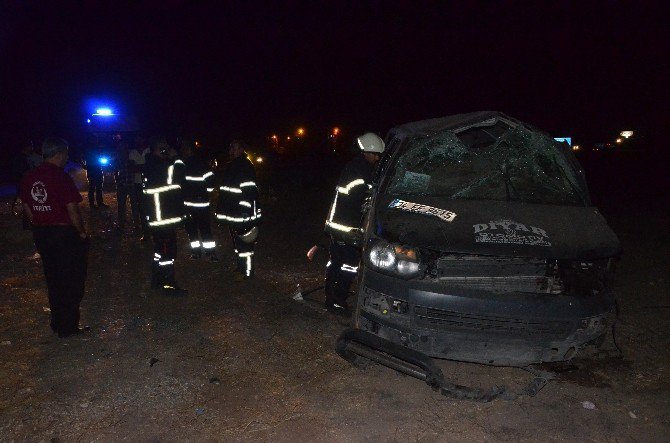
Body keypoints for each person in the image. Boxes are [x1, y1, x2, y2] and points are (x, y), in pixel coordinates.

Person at [19, 137, 89, 338]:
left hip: (43, 234)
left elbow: (27, 208)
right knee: (71, 280)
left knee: (53, 279)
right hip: (63, 235)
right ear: (59, 154)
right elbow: (72, 209)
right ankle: (69, 326)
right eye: (66, 154)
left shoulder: (29, 176)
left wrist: (39, 226)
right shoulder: (60, 177)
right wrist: (81, 233)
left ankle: (58, 323)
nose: (67, 158)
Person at [309, 132, 385, 315]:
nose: (377, 159)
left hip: (337, 226)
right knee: (348, 265)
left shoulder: (353, 167)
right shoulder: (363, 172)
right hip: (348, 229)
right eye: (375, 155)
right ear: (367, 152)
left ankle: (331, 297)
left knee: (335, 263)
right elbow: (363, 202)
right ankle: (338, 301)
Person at [142, 138, 188, 295]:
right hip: (163, 218)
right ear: (157, 150)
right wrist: (175, 157)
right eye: (163, 149)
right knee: (168, 252)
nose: (166, 152)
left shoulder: (150, 165)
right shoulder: (162, 166)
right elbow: (181, 173)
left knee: (159, 250)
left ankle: (156, 280)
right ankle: (168, 285)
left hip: (157, 217)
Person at [216, 140, 261, 280]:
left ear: (242, 149)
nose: (231, 150)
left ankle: (247, 272)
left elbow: (249, 191)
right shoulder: (234, 165)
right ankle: (240, 268)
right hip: (233, 213)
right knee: (238, 244)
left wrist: (245, 212)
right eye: (230, 147)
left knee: (245, 244)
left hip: (241, 214)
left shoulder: (245, 166)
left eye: (234, 147)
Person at [180, 139, 218, 260]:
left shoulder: (186, 165)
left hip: (194, 204)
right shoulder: (188, 164)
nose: (182, 151)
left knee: (195, 229)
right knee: (202, 229)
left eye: (184, 149)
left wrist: (203, 193)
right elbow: (211, 183)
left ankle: (200, 253)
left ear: (189, 150)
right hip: (198, 203)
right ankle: (208, 253)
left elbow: (211, 181)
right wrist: (204, 194)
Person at [129, 135, 151, 238]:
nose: (139, 140)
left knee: (150, 207)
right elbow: (132, 168)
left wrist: (140, 167)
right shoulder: (133, 152)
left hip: (150, 183)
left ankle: (151, 229)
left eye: (140, 138)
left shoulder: (149, 150)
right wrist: (144, 167)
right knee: (142, 208)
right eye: (137, 138)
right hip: (138, 184)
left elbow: (149, 167)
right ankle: (145, 231)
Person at [114, 140, 133, 232]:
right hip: (123, 184)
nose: (122, 148)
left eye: (123, 146)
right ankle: (121, 224)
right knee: (121, 205)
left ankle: (136, 224)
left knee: (133, 205)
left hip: (130, 183)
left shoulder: (130, 155)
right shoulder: (118, 158)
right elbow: (115, 170)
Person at [85, 138, 108, 208]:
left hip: (97, 169)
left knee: (98, 187)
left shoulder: (95, 149)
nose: (96, 141)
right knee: (93, 187)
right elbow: (81, 157)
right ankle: (92, 204)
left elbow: (100, 157)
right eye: (94, 139)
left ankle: (99, 203)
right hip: (92, 170)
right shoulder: (89, 149)